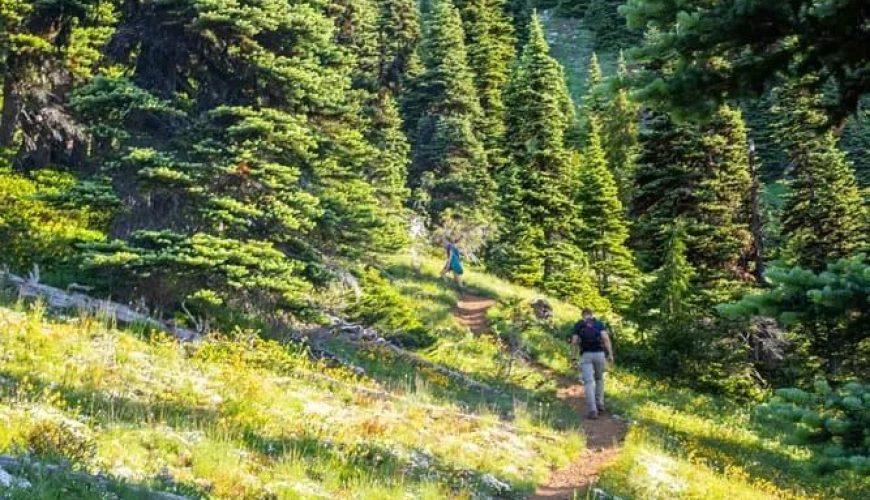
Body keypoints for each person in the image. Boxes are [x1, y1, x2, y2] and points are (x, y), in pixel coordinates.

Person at [571, 308, 614, 419]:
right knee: (599, 379)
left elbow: (574, 342)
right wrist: (610, 354)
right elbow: (606, 338)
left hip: (586, 356)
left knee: (589, 382)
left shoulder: (579, 324)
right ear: (591, 314)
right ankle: (600, 403)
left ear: (583, 315)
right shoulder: (598, 323)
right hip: (600, 355)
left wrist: (574, 358)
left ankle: (592, 410)